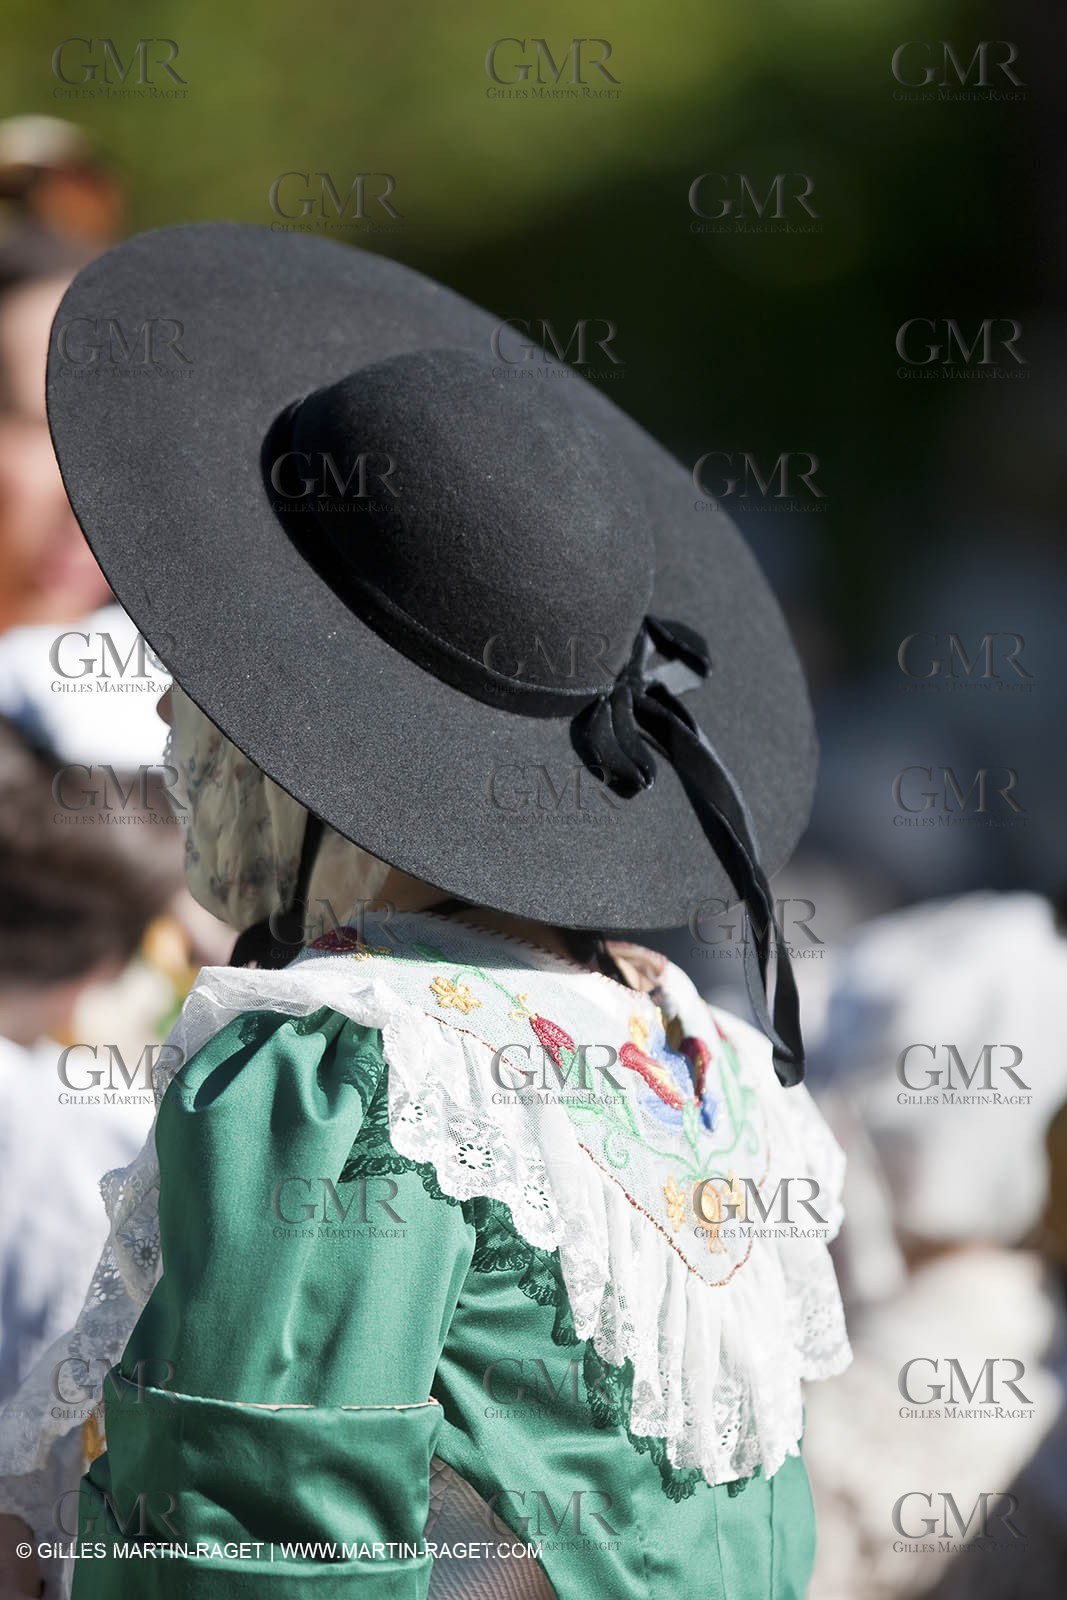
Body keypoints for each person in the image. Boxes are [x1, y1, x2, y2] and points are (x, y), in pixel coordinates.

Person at [0, 222, 850, 1598]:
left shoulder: (344, 1072)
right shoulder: (698, 1055)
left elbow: (251, 1557)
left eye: (215, 673)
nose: (169, 705)